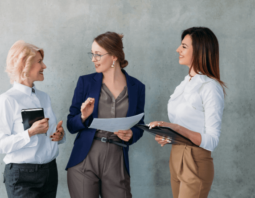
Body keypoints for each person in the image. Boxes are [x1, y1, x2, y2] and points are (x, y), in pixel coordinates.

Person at [66, 32, 145, 198]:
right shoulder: (85, 82)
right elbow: (71, 125)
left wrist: (132, 134)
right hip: (85, 159)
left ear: (114, 56)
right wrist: (82, 117)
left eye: (98, 54)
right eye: (92, 54)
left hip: (117, 160)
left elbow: (139, 124)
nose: (93, 59)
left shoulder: (137, 87)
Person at [149, 27, 226, 198]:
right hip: (176, 156)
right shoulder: (185, 83)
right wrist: (169, 135)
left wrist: (175, 128)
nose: (178, 49)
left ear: (199, 50)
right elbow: (187, 125)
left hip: (195, 161)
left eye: (184, 46)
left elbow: (212, 140)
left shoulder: (210, 87)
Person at [0, 40, 65, 198]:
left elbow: (47, 138)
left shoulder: (44, 97)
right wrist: (30, 133)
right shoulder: (7, 100)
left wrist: (59, 136)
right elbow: (0, 144)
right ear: (24, 65)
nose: (44, 66)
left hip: (49, 172)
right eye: (40, 62)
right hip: (22, 177)